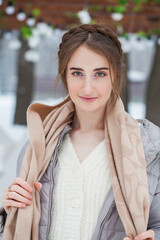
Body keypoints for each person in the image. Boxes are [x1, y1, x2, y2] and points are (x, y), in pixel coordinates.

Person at [0, 24, 159, 240]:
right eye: (77, 73)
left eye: (100, 74)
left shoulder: (148, 148)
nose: (87, 88)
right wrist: (10, 208)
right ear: (65, 75)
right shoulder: (38, 146)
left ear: (114, 76)